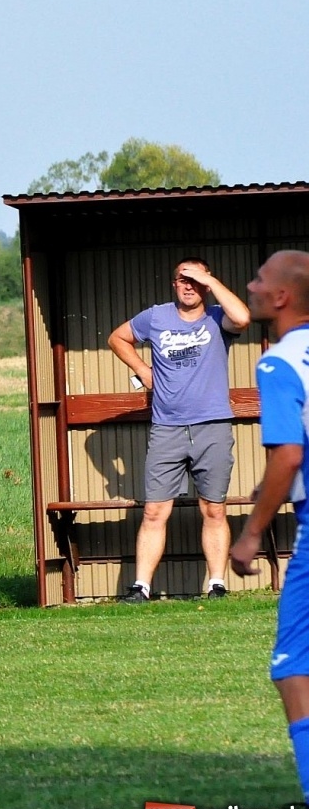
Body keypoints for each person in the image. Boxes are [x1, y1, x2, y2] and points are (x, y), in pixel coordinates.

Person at [108, 257, 249, 601]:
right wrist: (142, 368)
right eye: (182, 280)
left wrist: (210, 281)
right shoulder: (156, 317)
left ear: (205, 284)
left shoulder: (217, 319)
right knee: (155, 510)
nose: (189, 286)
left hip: (212, 426)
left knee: (213, 508)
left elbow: (243, 318)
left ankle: (217, 585)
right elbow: (117, 338)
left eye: (195, 280)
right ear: (174, 284)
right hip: (167, 428)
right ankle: (141, 588)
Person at [230, 250, 309, 809]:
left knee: (292, 665)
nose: (252, 285)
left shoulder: (281, 363)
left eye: (260, 278)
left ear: (281, 297)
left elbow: (287, 455)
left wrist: (252, 532)